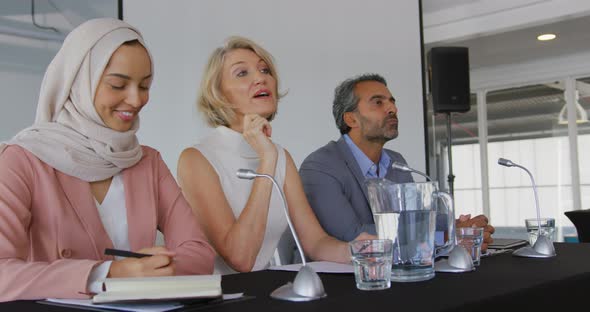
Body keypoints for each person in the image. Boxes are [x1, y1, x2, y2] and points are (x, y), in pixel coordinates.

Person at [0, 18, 215, 302]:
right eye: (118, 85)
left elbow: (199, 253)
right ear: (78, 83)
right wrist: (110, 274)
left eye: (145, 86)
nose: (136, 99)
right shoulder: (21, 160)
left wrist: (153, 269)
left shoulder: (147, 162)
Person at [178, 36, 365, 275]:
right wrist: (266, 159)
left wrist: (360, 249)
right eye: (242, 73)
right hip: (216, 297)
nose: (261, 78)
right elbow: (241, 259)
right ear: (219, 94)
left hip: (262, 293)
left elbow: (315, 242)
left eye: (265, 70)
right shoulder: (195, 160)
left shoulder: (281, 156)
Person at [299, 73, 495, 250]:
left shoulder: (396, 162)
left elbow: (416, 221)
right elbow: (354, 235)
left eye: (392, 102)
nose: (392, 108)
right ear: (351, 119)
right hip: (341, 281)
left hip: (397, 271)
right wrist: (451, 233)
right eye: (378, 103)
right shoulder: (320, 166)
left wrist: (461, 230)